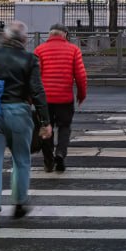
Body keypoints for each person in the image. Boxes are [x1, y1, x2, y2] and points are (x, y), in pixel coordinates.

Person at [0, 20, 51, 232]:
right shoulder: (29, 59)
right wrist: (45, 122)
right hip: (19, 112)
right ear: (24, 40)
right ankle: (18, 204)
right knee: (21, 160)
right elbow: (37, 91)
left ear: (4, 38)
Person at [34, 24, 87, 173]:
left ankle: (48, 161)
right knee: (64, 127)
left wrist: (32, 98)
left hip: (44, 100)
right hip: (65, 98)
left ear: (50, 35)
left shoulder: (39, 50)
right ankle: (60, 154)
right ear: (65, 35)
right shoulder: (73, 49)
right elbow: (81, 76)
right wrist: (81, 94)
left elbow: (34, 77)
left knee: (45, 128)